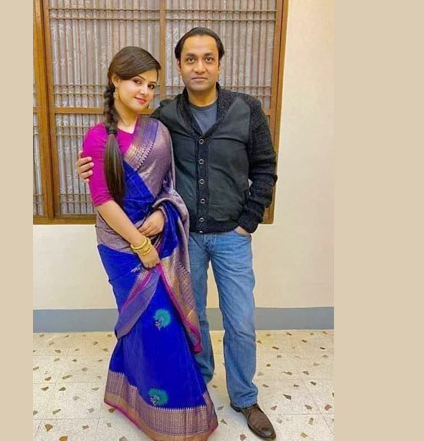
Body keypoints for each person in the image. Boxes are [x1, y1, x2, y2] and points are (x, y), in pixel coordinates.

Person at [78, 28, 279, 440]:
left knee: (241, 321)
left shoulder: (247, 109)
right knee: (192, 317)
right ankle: (196, 386)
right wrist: (89, 168)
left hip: (230, 235)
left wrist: (248, 219)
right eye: (190, 59)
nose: (199, 67)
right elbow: (119, 156)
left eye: (208, 58)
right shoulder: (166, 115)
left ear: (219, 63)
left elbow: (265, 167)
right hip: (182, 237)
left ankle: (244, 398)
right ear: (180, 66)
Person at [81, 46, 218, 440]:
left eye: (152, 85)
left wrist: (162, 214)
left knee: (157, 325)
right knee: (147, 324)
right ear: (115, 80)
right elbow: (103, 200)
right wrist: (139, 243)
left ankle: (147, 402)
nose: (145, 91)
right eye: (136, 81)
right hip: (120, 248)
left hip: (160, 238)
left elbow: (169, 187)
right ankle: (160, 414)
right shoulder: (97, 138)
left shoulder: (158, 132)